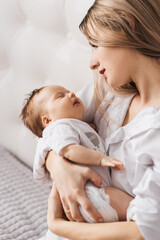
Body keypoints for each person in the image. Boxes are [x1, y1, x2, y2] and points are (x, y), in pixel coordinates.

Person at [37, 0, 160, 239]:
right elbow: (50, 126)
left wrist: (58, 225)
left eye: (95, 44)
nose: (91, 62)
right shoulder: (109, 94)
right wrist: (59, 165)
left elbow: (146, 231)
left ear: (126, 25)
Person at [20, 84, 126, 225]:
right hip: (91, 194)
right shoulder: (60, 127)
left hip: (90, 196)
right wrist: (101, 159)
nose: (71, 94)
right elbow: (69, 150)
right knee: (138, 211)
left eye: (69, 91)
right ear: (47, 120)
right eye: (60, 96)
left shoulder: (71, 125)